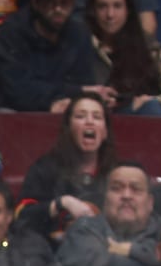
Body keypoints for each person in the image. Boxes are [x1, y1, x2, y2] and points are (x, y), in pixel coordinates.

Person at [0, 0, 103, 113]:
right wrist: (68, 95)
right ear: (36, 4)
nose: (58, 9)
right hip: (8, 110)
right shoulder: (12, 33)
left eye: (64, 3)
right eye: (50, 2)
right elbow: (18, 90)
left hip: (63, 107)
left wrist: (70, 98)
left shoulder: (79, 34)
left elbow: (84, 82)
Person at [19, 94, 116, 242]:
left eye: (97, 117)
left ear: (105, 132)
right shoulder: (46, 168)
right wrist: (61, 203)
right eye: (80, 116)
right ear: (68, 127)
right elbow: (22, 216)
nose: (89, 122)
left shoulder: (117, 172)